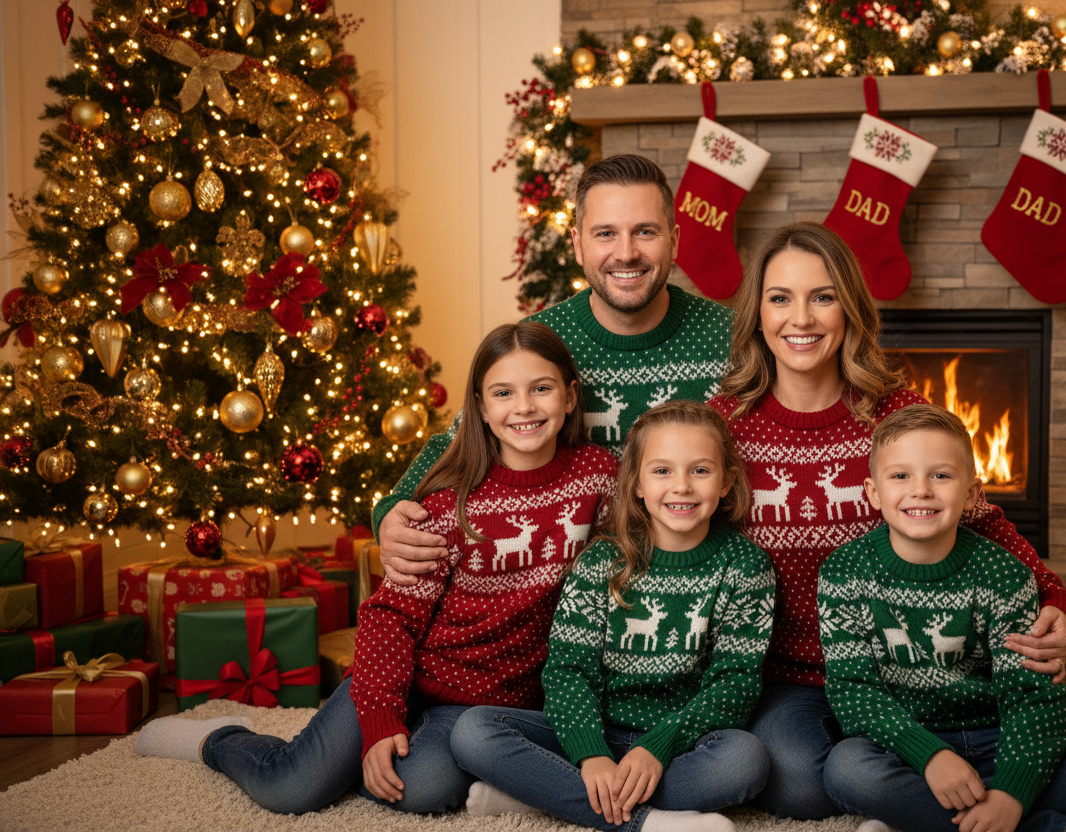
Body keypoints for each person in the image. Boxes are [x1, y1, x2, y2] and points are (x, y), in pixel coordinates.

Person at [706, 222, 1066, 820]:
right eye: (780, 298)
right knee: (801, 789)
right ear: (756, 314)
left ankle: (967, 793)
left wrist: (1053, 602)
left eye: (823, 296)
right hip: (797, 678)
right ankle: (1012, 811)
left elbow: (982, 521)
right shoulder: (725, 425)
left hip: (929, 665)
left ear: (850, 308)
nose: (801, 318)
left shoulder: (899, 412)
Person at [133, 321, 617, 816]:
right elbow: (392, 618)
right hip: (404, 674)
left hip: (486, 706)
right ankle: (218, 739)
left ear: (571, 396)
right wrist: (383, 717)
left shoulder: (600, 477)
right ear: (481, 407)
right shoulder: (451, 503)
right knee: (290, 789)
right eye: (503, 392)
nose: (525, 407)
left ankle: (463, 776)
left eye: (542, 388)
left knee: (421, 788)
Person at [374, 153, 734, 579]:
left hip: (702, 581)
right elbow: (462, 440)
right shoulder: (538, 342)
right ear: (578, 245)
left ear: (673, 241)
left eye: (645, 232)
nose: (626, 252)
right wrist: (389, 514)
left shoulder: (729, 336)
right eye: (605, 233)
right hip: (569, 596)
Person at [819, 404, 1066, 832]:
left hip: (994, 731)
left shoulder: (1004, 574)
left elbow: (1031, 696)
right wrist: (931, 756)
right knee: (845, 769)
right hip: (905, 744)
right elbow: (854, 690)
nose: (921, 490)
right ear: (873, 492)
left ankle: (923, 818)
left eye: (941, 475)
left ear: (970, 493)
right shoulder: (844, 571)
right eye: (900, 476)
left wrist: (1012, 792)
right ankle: (1054, 827)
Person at [450, 401, 775, 832]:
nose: (682, 486)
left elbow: (735, 683)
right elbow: (568, 670)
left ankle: (546, 795)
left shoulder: (747, 567)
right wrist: (591, 753)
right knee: (473, 730)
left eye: (700, 470)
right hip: (594, 730)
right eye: (661, 471)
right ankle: (647, 820)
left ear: (726, 481)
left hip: (681, 742)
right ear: (637, 483)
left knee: (745, 762)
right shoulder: (603, 562)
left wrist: (660, 745)